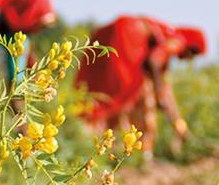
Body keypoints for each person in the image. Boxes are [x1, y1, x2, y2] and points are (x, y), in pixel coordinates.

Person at [75, 15, 206, 157]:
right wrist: (158, 91)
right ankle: (144, 154)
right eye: (192, 55)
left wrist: (175, 117)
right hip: (129, 35)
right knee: (132, 92)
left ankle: (91, 143)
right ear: (191, 48)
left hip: (111, 32)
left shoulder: (166, 33)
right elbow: (154, 61)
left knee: (104, 93)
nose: (188, 60)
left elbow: (161, 75)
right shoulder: (178, 40)